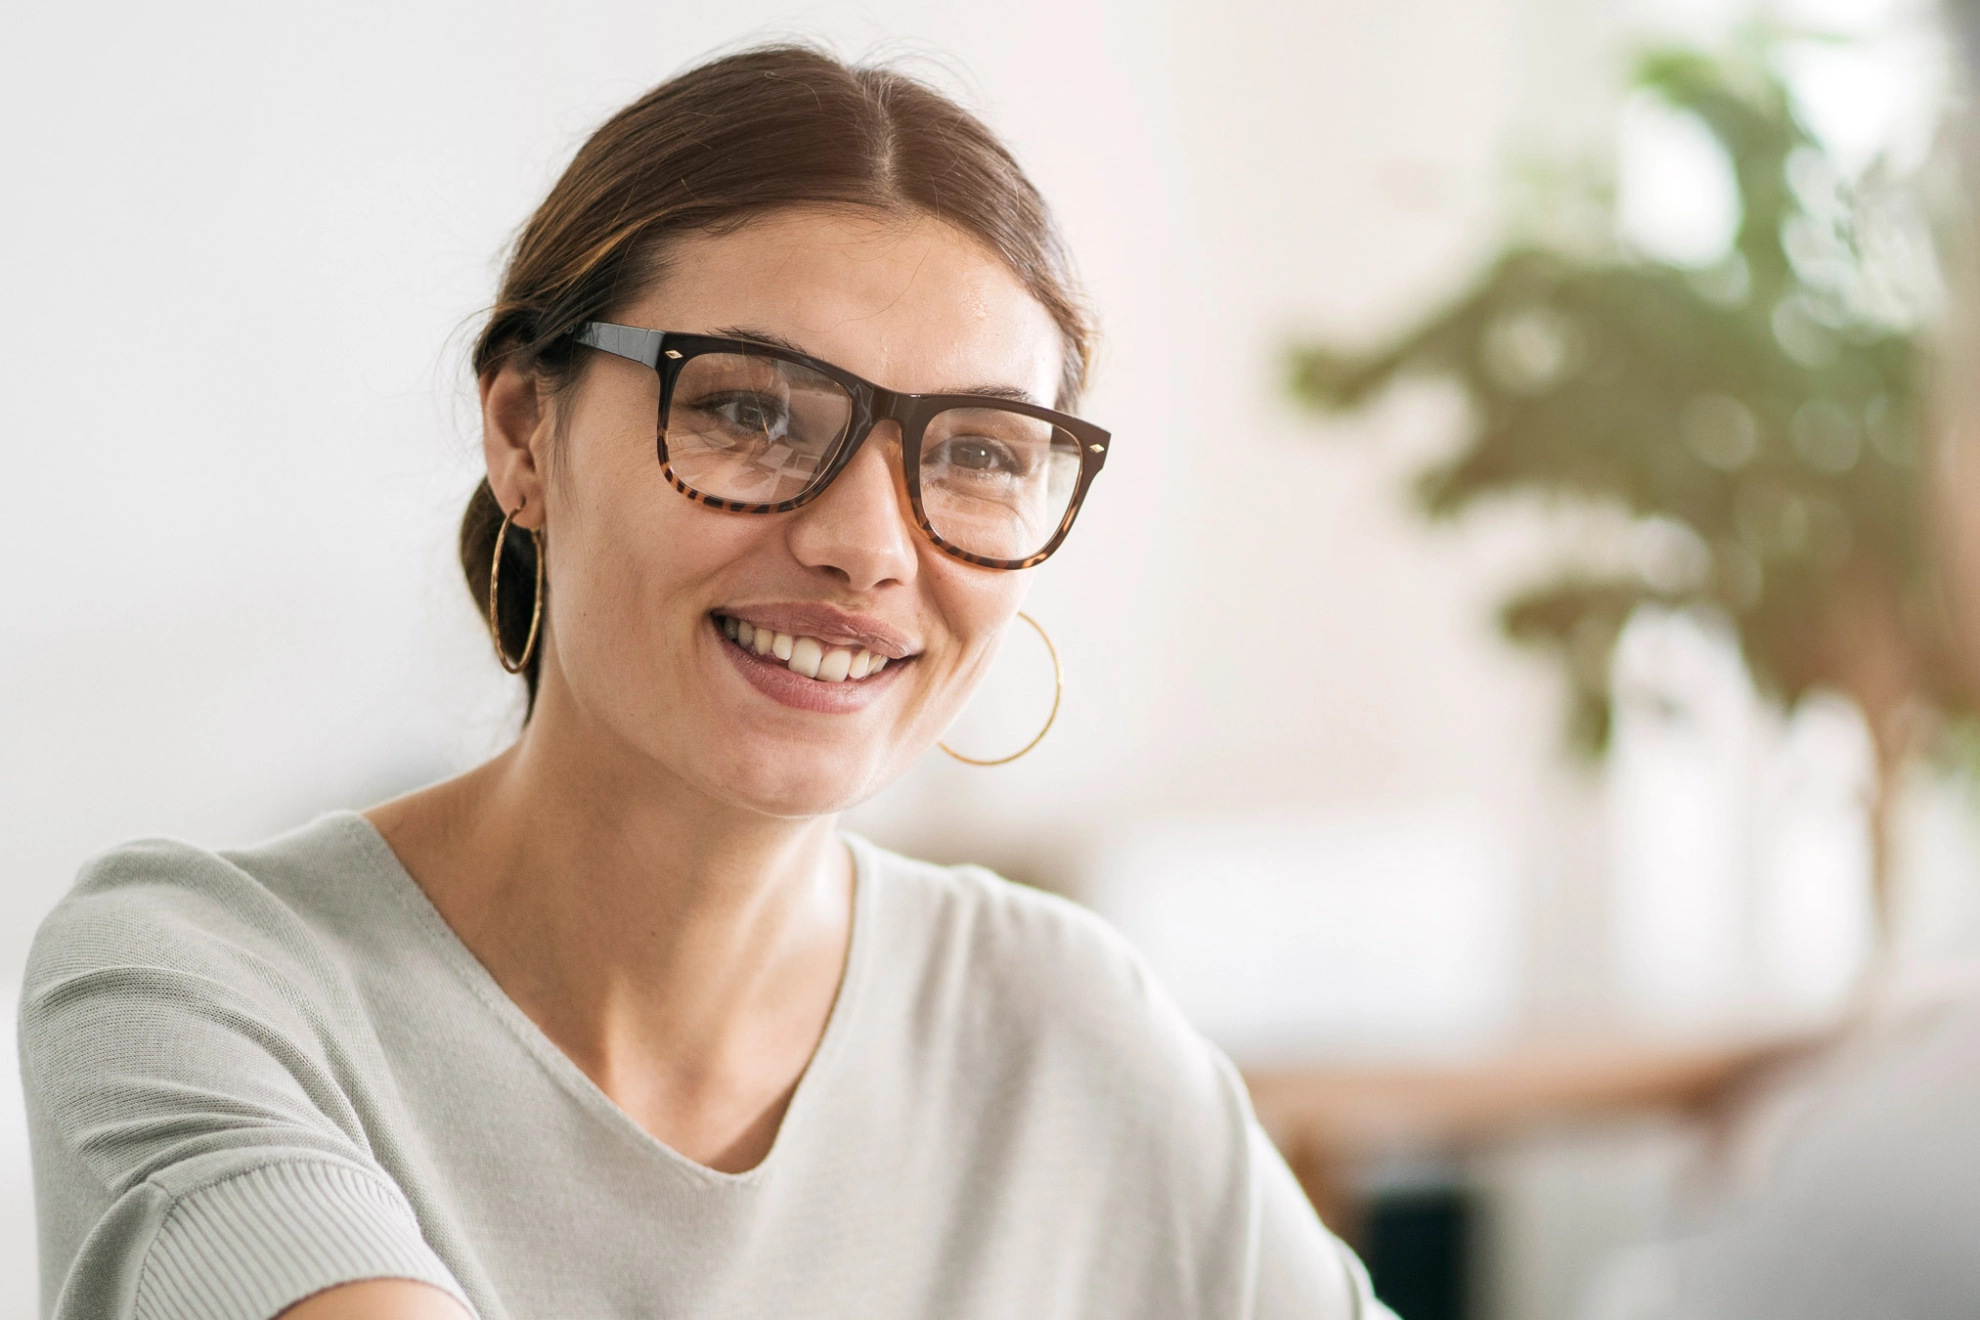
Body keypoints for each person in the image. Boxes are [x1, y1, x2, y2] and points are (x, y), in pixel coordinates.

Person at [20, 46, 1389, 1320]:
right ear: (525, 432)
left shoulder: (1063, 1023)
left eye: (977, 454)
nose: (867, 547)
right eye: (751, 412)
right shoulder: (200, 983)